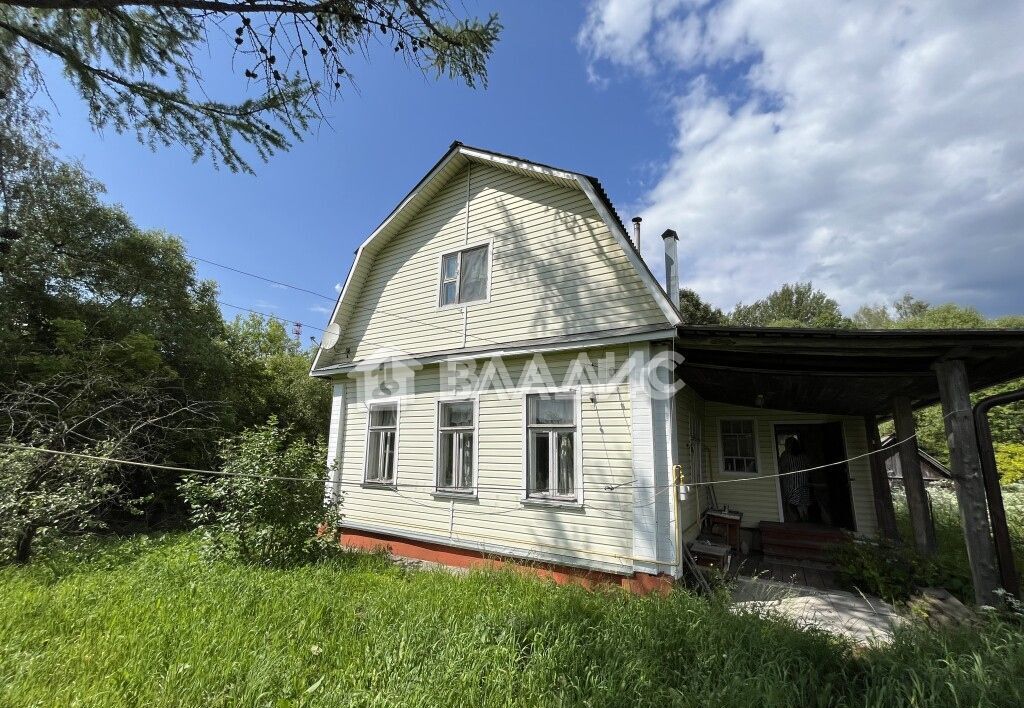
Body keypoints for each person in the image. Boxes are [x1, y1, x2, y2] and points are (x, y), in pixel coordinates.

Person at [778, 436, 812, 522]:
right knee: (802, 504)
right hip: (804, 483)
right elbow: (809, 467)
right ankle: (804, 519)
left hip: (791, 484)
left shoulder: (786, 455)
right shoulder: (803, 456)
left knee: (791, 503)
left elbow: (780, 468)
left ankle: (795, 521)